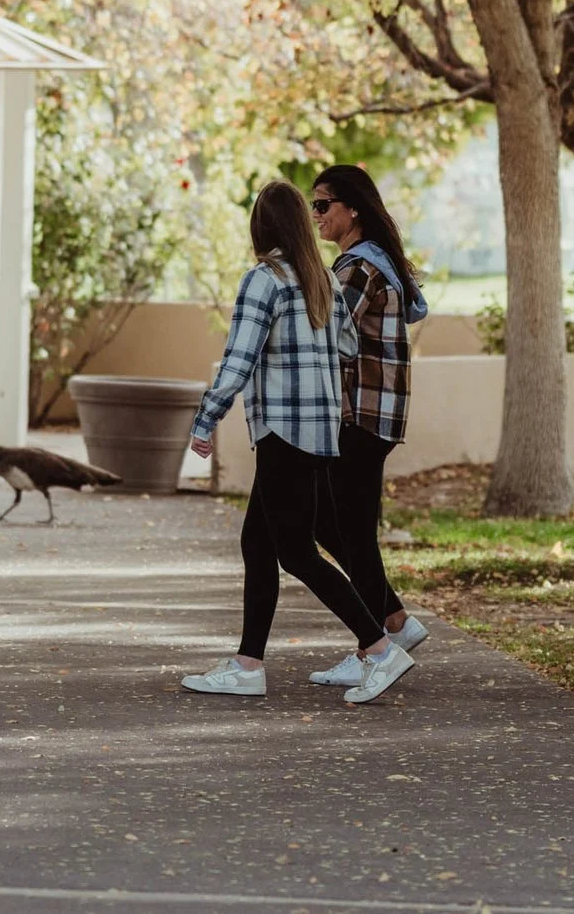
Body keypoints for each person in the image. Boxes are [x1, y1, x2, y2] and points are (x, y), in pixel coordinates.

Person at [180, 181, 414, 706]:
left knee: (297, 553)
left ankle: (379, 648)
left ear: (261, 227)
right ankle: (247, 665)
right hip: (319, 433)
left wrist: (204, 420)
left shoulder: (264, 280)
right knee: (257, 545)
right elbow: (349, 344)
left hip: (283, 431)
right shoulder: (321, 283)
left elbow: (239, 360)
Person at [305, 163, 429, 691]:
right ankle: (394, 622)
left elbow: (327, 335)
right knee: (339, 524)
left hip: (360, 413)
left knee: (338, 524)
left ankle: (373, 645)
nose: (315, 216)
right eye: (313, 206)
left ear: (352, 207)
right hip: (376, 415)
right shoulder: (373, 262)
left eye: (323, 205)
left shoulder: (357, 267)